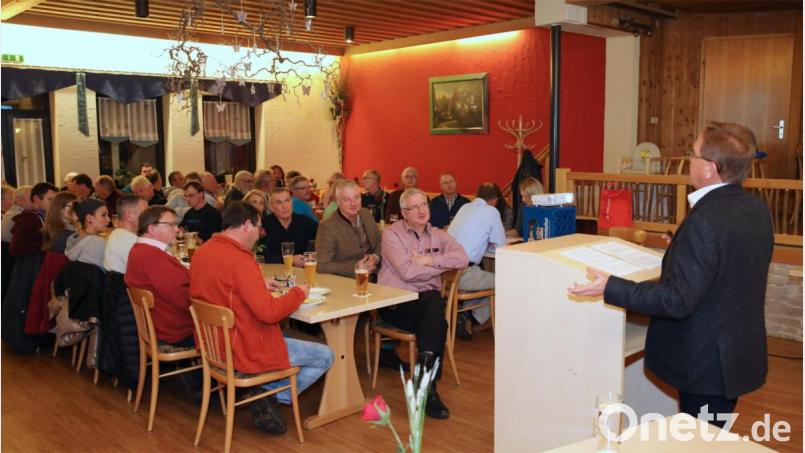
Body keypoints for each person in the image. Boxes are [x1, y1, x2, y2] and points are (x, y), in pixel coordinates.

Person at [568, 122, 773, 428]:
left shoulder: (705, 220)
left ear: (709, 169)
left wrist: (611, 286)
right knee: (711, 436)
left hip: (706, 363)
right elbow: (729, 264)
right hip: (735, 353)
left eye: (693, 154)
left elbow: (677, 299)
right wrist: (684, 246)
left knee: (699, 440)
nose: (688, 160)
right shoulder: (756, 209)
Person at [190, 202, 333, 434]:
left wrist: (259, 284)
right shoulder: (240, 260)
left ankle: (264, 393)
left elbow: (221, 287)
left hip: (215, 345)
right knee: (326, 355)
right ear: (246, 225)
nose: (260, 233)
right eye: (258, 228)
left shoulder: (203, 251)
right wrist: (300, 293)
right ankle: (272, 396)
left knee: (291, 337)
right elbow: (269, 313)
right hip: (245, 347)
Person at [378, 188, 468, 419]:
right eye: (414, 207)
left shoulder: (437, 233)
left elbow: (462, 257)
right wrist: (438, 271)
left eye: (424, 205)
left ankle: (426, 388)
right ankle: (427, 388)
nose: (421, 211)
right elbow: (407, 272)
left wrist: (430, 260)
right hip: (396, 303)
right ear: (403, 213)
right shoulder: (391, 235)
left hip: (425, 304)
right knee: (437, 317)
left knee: (432, 306)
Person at [125, 206, 195, 347]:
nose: (177, 229)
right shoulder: (152, 257)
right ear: (151, 229)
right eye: (171, 225)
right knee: (234, 324)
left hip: (161, 325)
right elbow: (183, 298)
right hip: (177, 331)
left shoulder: (139, 250)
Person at [3, 182, 57, 353]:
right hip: (26, 271)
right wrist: (45, 243)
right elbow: (15, 248)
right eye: (50, 199)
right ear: (36, 199)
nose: (53, 204)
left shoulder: (39, 217)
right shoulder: (31, 219)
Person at [447, 183, 506, 338]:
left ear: (476, 195)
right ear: (495, 200)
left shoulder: (464, 207)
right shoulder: (492, 212)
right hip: (464, 274)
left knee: (487, 280)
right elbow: (501, 246)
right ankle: (471, 318)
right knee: (507, 282)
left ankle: (465, 316)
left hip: (446, 275)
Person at [317, 180, 382, 278]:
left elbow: (379, 240)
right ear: (337, 201)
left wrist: (375, 257)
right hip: (348, 281)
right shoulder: (327, 227)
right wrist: (356, 268)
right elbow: (322, 265)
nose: (353, 203)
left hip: (378, 276)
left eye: (357, 197)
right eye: (347, 199)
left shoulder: (366, 214)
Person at [261, 188, 318, 266]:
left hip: (301, 272)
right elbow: (261, 256)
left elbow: (323, 235)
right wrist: (290, 260)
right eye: (279, 203)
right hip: (274, 272)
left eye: (287, 201)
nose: (284, 206)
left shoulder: (304, 221)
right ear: (271, 207)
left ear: (292, 202)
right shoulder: (264, 225)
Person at [103, 194, 148, 274]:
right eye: (145, 213)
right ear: (130, 216)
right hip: (126, 286)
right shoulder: (128, 242)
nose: (149, 217)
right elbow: (149, 272)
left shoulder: (118, 234)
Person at [65, 198, 110, 270]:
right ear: (89, 218)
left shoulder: (73, 237)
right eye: (103, 215)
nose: (109, 220)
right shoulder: (98, 243)